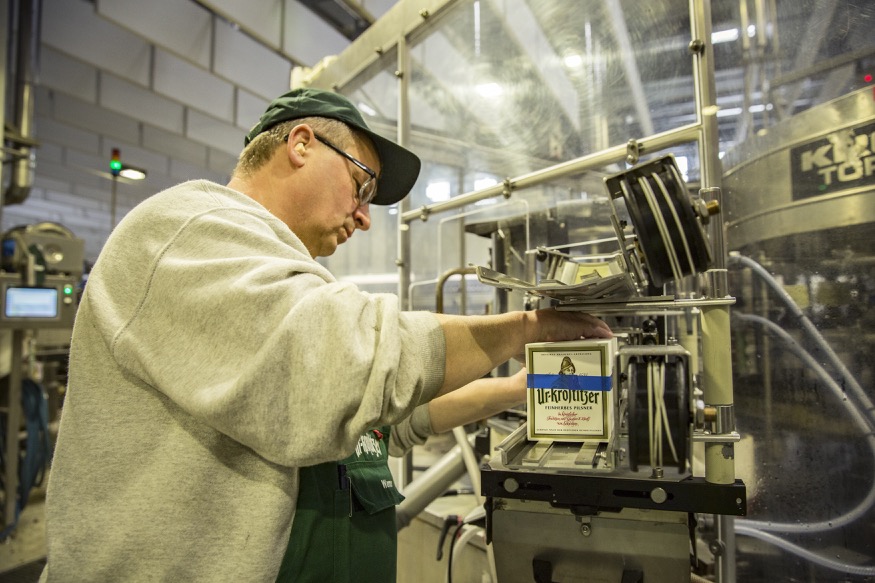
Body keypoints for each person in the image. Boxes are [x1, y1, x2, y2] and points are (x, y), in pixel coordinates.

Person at [41, 87, 611, 582]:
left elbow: (393, 422)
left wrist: (526, 384)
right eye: (362, 185)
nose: (364, 217)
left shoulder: (284, 278)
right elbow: (350, 367)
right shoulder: (188, 229)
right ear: (302, 144)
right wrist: (525, 328)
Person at [276, 369, 528, 583]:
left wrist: (521, 385)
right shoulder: (280, 399)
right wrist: (525, 329)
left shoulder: (361, 402)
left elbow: (416, 416)